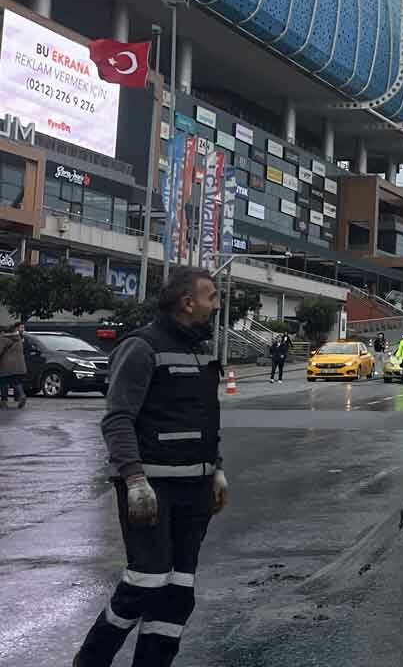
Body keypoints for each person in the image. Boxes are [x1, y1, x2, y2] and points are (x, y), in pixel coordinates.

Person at [74, 267, 229, 667]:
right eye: (211, 296)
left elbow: (204, 418)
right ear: (187, 302)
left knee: (179, 593)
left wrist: (217, 469)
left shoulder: (202, 351)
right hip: (151, 490)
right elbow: (118, 418)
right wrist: (134, 478)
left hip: (195, 491)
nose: (217, 304)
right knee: (145, 582)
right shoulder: (142, 347)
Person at [0, 321, 28, 408]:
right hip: (19, 366)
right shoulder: (18, 338)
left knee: (3, 382)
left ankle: (4, 401)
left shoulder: (3, 339)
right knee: (16, 381)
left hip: (7, 365)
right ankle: (22, 395)